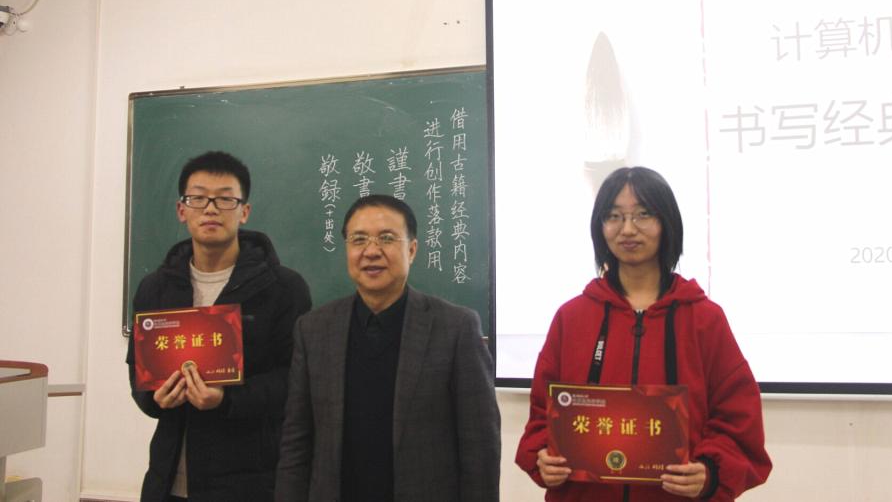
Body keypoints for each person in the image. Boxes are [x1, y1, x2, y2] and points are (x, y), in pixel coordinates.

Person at [516, 166, 771, 501]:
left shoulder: (704, 319)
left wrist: (709, 472)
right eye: (614, 216)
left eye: (643, 214)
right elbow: (541, 417)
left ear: (667, 223)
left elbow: (739, 421)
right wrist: (543, 457)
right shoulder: (572, 318)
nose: (627, 229)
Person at [275, 194, 501, 502]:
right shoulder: (313, 329)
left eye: (386, 238)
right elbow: (296, 441)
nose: (371, 251)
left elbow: (480, 448)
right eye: (359, 240)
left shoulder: (456, 328)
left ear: (412, 250)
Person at [127, 151, 312, 502]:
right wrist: (155, 399)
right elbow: (138, 373)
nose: (210, 209)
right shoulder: (156, 288)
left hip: (250, 482)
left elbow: (295, 380)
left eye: (225, 199)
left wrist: (227, 399)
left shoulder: (283, 288)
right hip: (169, 480)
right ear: (181, 210)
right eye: (198, 198)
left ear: (245, 211)